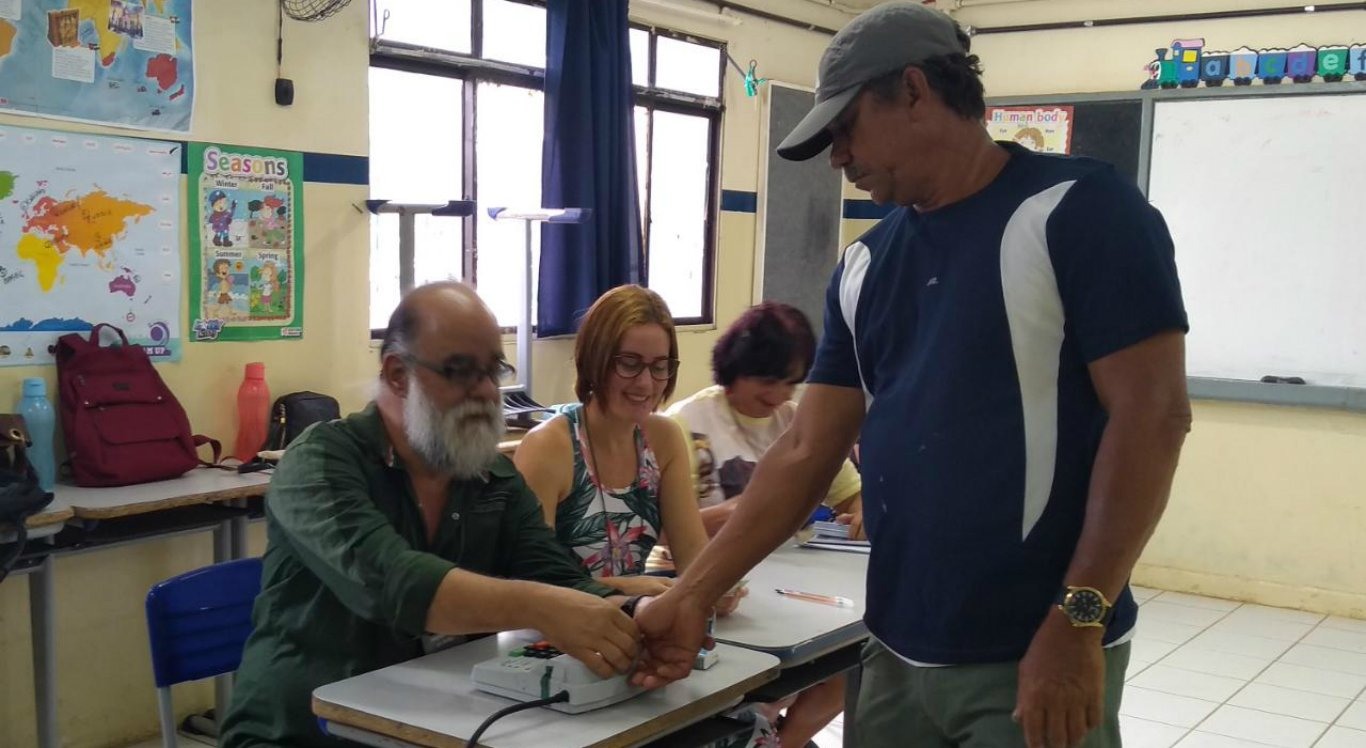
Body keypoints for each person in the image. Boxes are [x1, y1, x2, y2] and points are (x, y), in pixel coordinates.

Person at [631, 5, 1191, 748]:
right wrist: (691, 594)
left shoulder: (1079, 211)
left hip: (1033, 654)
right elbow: (804, 455)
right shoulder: (865, 268)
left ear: (916, 91)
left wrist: (1078, 618)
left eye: (846, 127)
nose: (838, 156)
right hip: (893, 648)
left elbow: (1153, 418)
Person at [221, 282, 645, 748]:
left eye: (494, 370)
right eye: (461, 371)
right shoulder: (319, 462)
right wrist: (538, 606)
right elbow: (393, 583)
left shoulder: (491, 478)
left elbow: (560, 581)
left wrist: (642, 615)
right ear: (398, 375)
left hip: (436, 727)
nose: (487, 391)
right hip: (300, 733)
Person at [665, 300, 863, 748]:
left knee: (844, 671)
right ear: (736, 366)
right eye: (767, 380)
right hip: (723, 590)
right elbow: (665, 530)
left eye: (790, 384)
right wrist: (744, 512)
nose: (778, 395)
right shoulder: (685, 425)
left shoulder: (796, 423)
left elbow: (850, 492)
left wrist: (862, 507)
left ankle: (776, 740)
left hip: (790, 588)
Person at [515, 285, 711, 600]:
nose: (646, 383)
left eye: (659, 366)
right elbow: (530, 584)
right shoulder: (549, 447)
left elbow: (694, 557)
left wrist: (715, 587)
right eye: (629, 364)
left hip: (628, 625)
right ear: (595, 361)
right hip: (553, 634)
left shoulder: (664, 439)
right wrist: (620, 588)